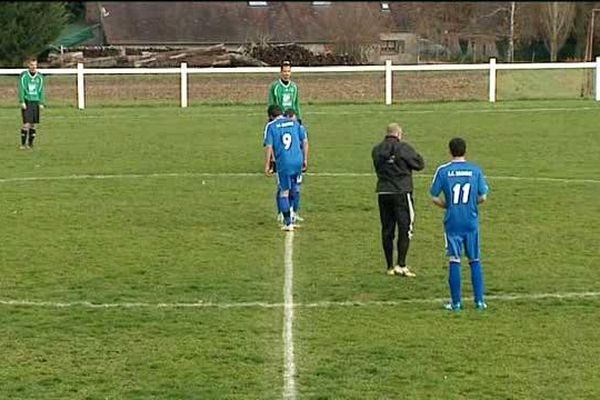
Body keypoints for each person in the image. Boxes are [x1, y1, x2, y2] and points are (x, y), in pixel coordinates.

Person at [430, 137, 490, 311]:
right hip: (471, 220)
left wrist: (448, 205)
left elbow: (434, 196)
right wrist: (472, 203)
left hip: (453, 221)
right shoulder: (475, 170)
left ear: (449, 151)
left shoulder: (443, 171)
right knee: (475, 259)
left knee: (454, 260)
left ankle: (456, 303)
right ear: (465, 151)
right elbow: (483, 197)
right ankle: (479, 301)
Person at [371, 123, 424, 277]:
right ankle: (401, 264)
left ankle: (389, 266)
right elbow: (419, 164)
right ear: (399, 134)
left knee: (387, 229)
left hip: (383, 191)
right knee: (405, 227)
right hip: (401, 191)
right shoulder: (404, 148)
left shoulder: (377, 149)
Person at [264, 105, 308, 231]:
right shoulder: (294, 122)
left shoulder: (271, 126)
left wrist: (267, 165)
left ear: (271, 116)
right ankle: (293, 214)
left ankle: (288, 223)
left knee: (284, 191)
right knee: (295, 187)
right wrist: (305, 159)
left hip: (284, 162)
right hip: (298, 160)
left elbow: (269, 146)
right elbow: (303, 140)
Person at [18, 58, 45, 149]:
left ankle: (30, 144)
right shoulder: (24, 76)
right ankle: (22, 144)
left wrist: (41, 102)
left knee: (33, 124)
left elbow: (41, 90)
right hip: (27, 102)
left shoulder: (40, 77)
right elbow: (21, 89)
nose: (33, 67)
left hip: (35, 102)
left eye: (35, 65)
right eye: (32, 65)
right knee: (26, 124)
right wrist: (22, 101)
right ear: (29, 66)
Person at [267, 60, 303, 125]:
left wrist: (299, 118)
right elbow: (271, 103)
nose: (287, 73)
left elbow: (296, 104)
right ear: (281, 72)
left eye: (288, 71)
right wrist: (271, 117)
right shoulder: (275, 86)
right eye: (285, 71)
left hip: (291, 118)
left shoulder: (294, 87)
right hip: (279, 118)